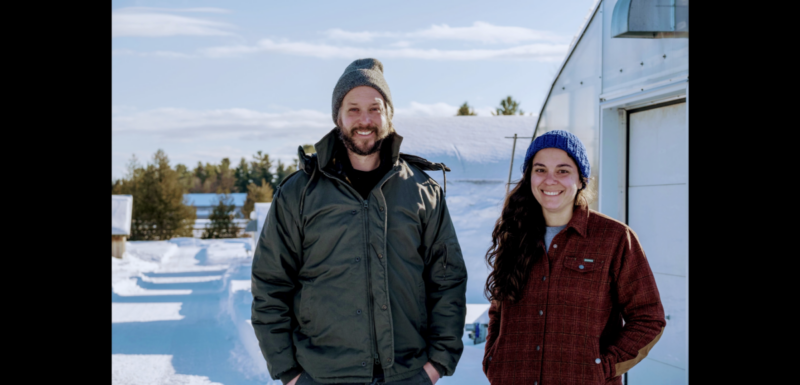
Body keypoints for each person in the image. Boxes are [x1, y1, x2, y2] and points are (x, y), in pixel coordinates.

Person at [251, 58, 467, 385]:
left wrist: (436, 364)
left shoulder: (422, 190)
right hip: (322, 377)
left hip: (407, 376)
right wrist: (291, 373)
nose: (364, 120)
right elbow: (270, 285)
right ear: (337, 116)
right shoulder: (299, 193)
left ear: (389, 115)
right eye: (353, 109)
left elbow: (447, 281)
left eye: (375, 108)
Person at [482, 130, 666, 385]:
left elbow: (649, 318)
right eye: (540, 169)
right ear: (529, 177)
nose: (550, 180)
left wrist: (604, 367)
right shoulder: (514, 233)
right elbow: (499, 309)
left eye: (563, 170)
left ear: (581, 179)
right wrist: (494, 359)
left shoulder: (614, 238)